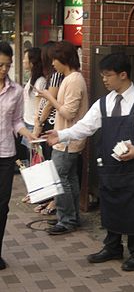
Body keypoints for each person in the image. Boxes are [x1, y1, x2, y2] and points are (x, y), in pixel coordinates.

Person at [44, 52, 134, 271]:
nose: (104, 80)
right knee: (111, 208)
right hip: (111, 168)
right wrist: (60, 135)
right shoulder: (104, 103)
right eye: (103, 75)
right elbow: (85, 126)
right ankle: (112, 247)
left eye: (108, 75)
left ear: (123, 75)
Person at [38, 40, 88, 235]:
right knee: (69, 179)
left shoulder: (74, 80)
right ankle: (70, 217)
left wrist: (49, 97)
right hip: (66, 138)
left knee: (60, 179)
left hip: (67, 140)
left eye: (54, 60)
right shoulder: (71, 78)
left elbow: (68, 113)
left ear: (63, 59)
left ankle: (66, 220)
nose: (52, 64)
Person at [0, 41, 35, 270]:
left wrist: (28, 135)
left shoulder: (17, 91)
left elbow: (16, 121)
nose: (4, 69)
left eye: (7, 65)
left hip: (5, 154)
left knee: (2, 206)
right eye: (0, 65)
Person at [31, 41, 63, 214]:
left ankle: (53, 200)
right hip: (46, 122)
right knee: (46, 162)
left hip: (50, 123)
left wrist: (39, 122)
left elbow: (50, 102)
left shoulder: (57, 76)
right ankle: (48, 197)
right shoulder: (51, 75)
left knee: (50, 163)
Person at [21, 47, 46, 161]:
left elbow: (40, 106)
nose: (23, 61)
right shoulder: (32, 78)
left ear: (32, 62)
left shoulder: (40, 81)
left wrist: (37, 127)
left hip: (33, 125)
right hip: (27, 122)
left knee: (34, 158)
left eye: (25, 58)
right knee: (29, 157)